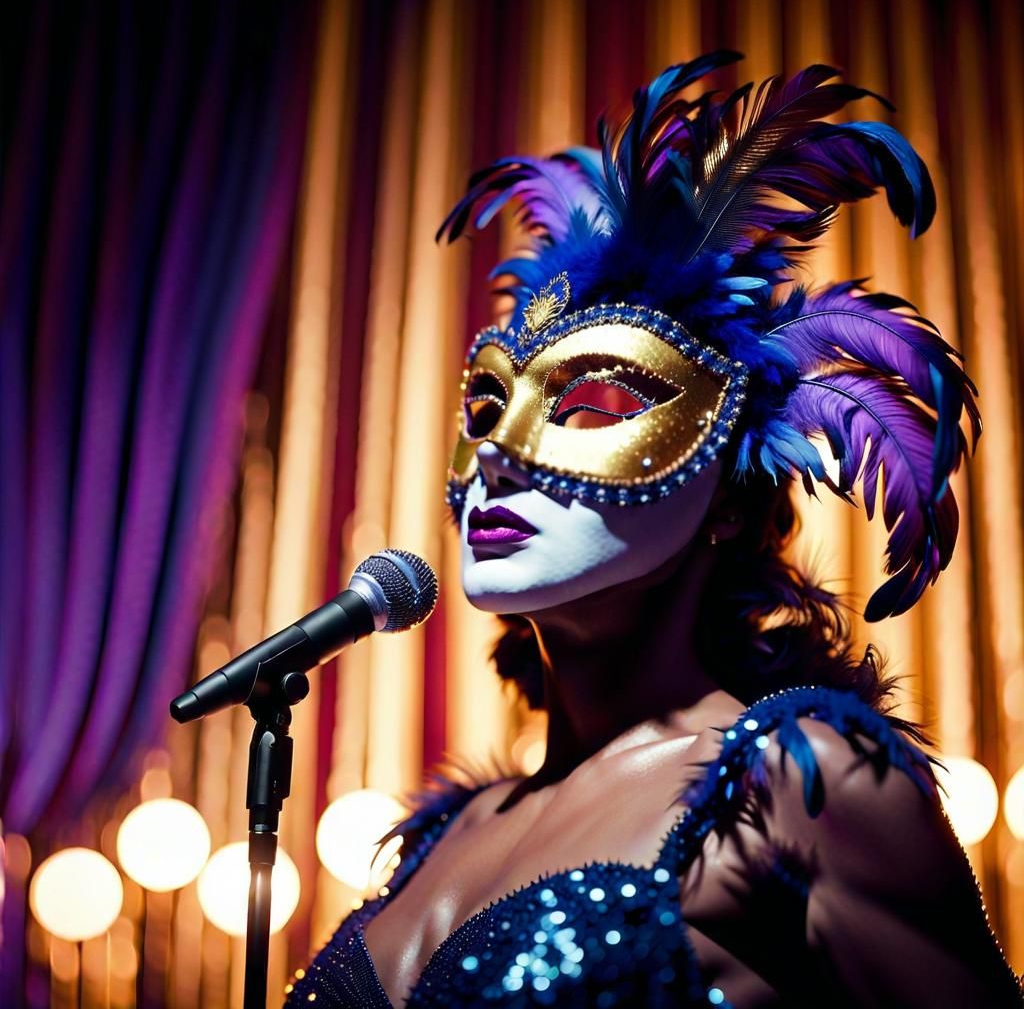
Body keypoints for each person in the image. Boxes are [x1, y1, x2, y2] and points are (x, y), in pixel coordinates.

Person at [287, 52, 1023, 1007]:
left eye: (592, 407)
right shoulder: (443, 833)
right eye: (486, 410)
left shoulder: (800, 786)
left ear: (729, 501)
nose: (499, 455)